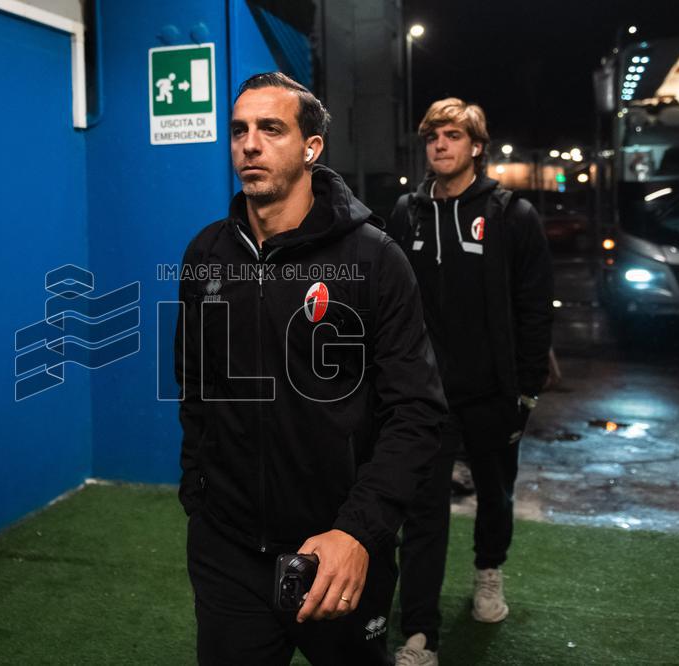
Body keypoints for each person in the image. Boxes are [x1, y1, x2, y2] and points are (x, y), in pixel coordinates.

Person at [175, 72, 447, 665]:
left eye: (271, 129)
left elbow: (416, 411)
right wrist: (198, 489)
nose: (250, 144)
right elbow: (196, 386)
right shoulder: (206, 256)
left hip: (339, 550)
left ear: (311, 148)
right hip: (230, 551)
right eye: (239, 130)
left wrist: (360, 531)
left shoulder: (374, 258)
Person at [387, 99, 553, 665]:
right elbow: (388, 305)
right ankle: (420, 635)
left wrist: (527, 390)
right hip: (425, 400)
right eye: (432, 135)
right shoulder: (406, 214)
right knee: (422, 514)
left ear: (476, 146)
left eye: (453, 135)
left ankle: (489, 572)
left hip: (492, 395)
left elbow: (534, 310)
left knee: (496, 495)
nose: (440, 144)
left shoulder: (512, 214)